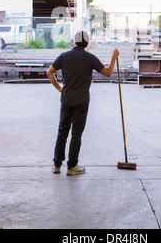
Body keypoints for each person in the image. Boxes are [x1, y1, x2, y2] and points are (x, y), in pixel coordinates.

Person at [47, 30, 119, 176]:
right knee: (76, 134)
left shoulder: (64, 56)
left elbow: (49, 72)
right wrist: (114, 57)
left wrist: (60, 88)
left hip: (66, 99)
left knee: (62, 132)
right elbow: (108, 73)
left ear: (74, 42)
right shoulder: (89, 58)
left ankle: (56, 165)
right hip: (81, 100)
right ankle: (72, 166)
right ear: (87, 44)